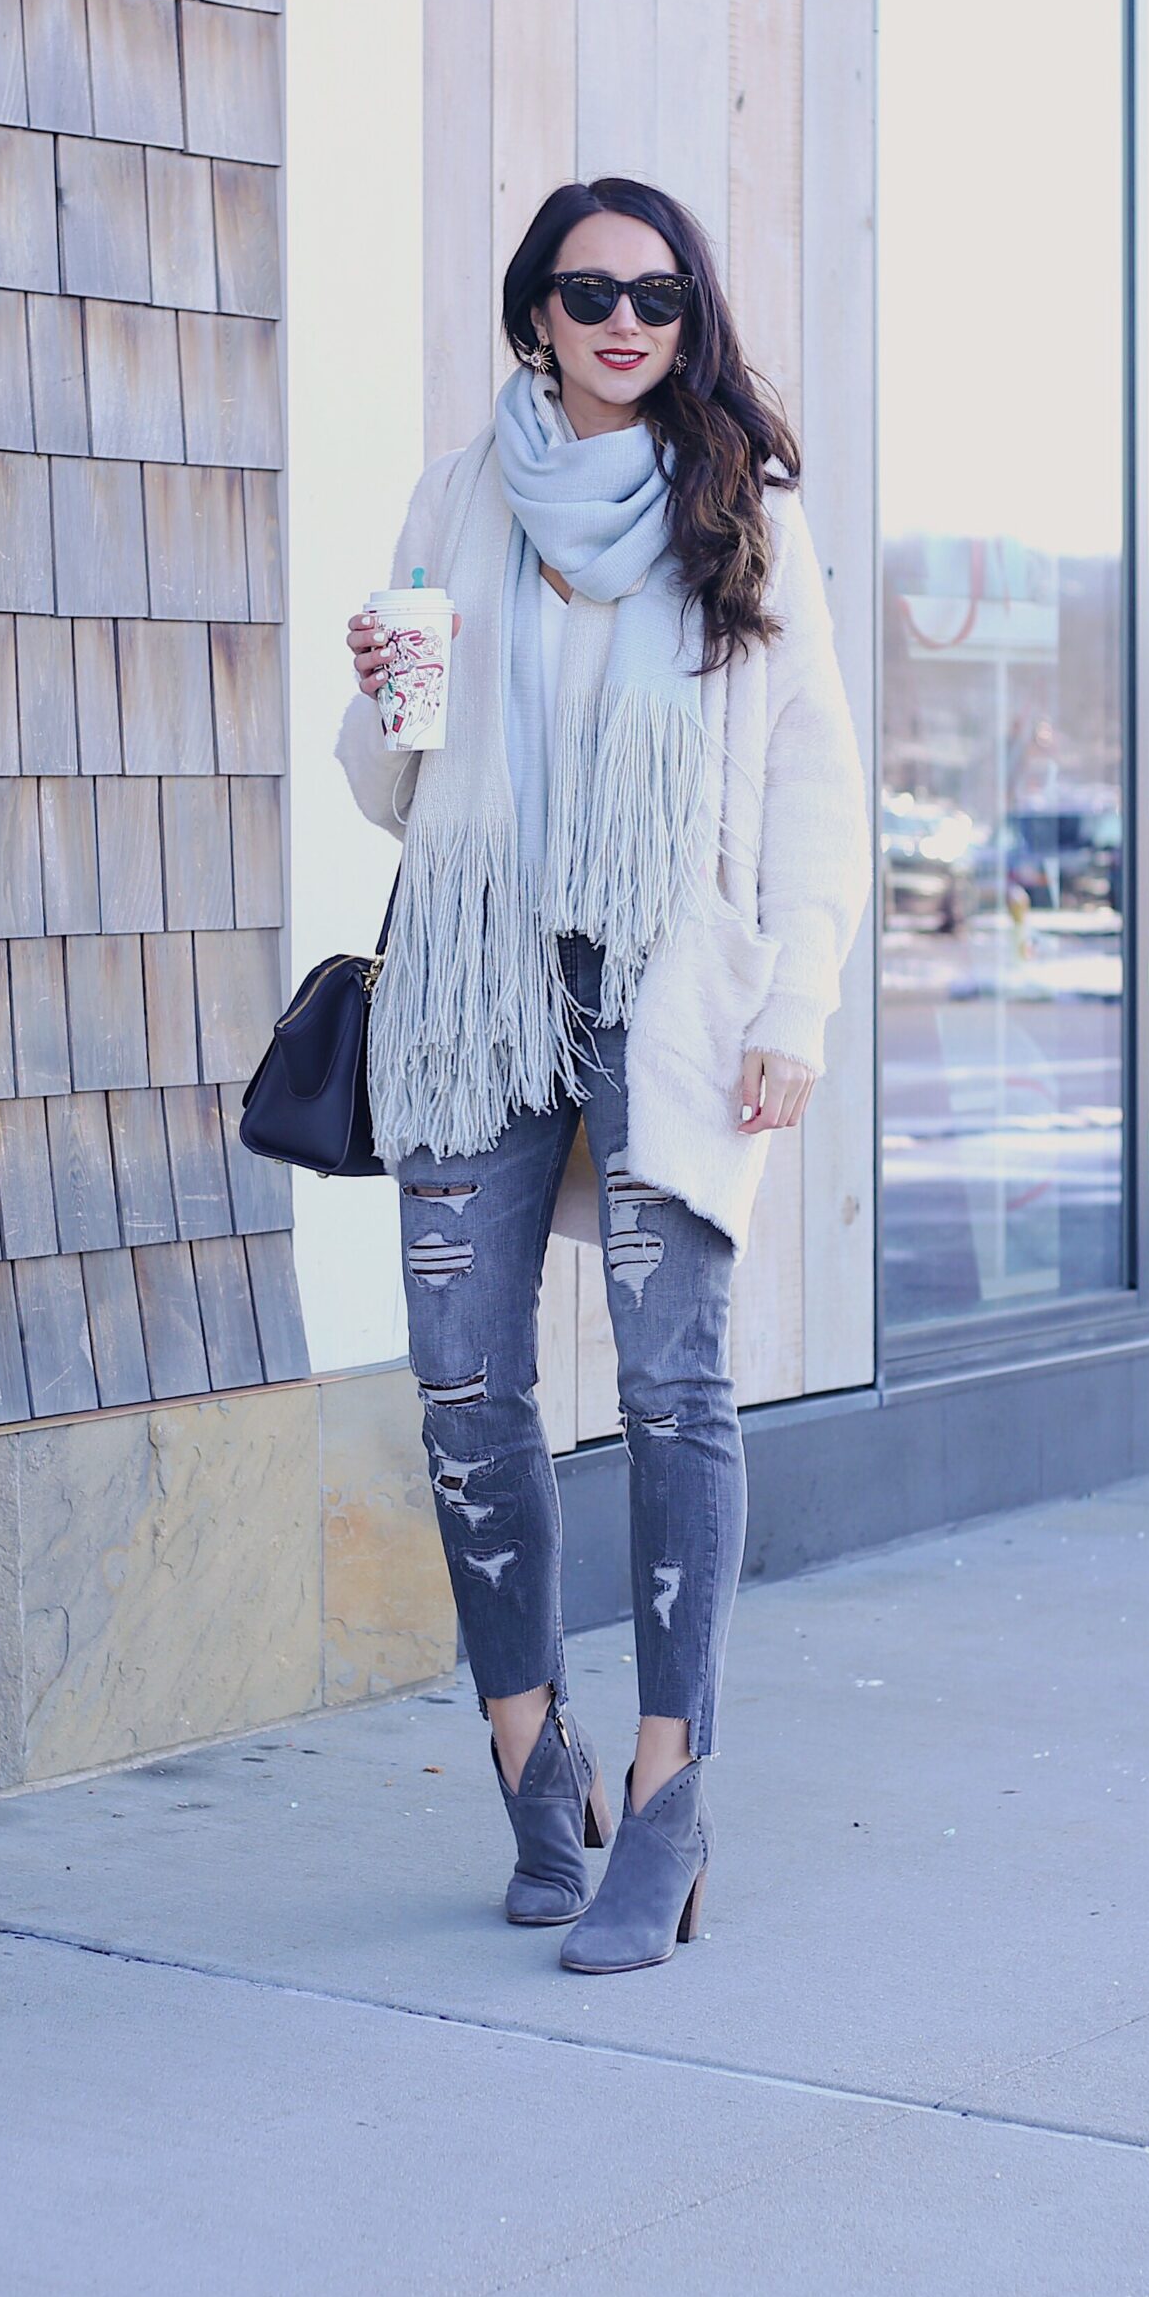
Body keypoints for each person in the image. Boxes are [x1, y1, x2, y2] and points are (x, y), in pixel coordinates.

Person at [334, 176, 872, 1973]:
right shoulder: (458, 494)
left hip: (667, 992)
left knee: (670, 1386)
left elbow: (812, 787)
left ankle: (665, 1792)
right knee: (463, 1375)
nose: (622, 318)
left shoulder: (747, 516)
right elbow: (391, 785)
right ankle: (523, 1752)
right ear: (534, 315)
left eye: (652, 291)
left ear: (685, 312)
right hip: (478, 991)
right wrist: (381, 699)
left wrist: (793, 1007)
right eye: (586, 291)